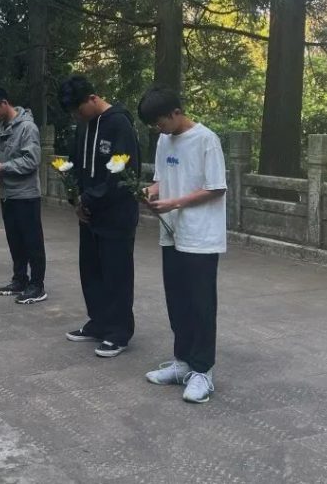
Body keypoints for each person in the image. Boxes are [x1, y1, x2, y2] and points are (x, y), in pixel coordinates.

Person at [137, 85, 227, 404]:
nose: (158, 129)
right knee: (177, 300)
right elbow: (161, 180)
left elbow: (216, 188)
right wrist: (150, 193)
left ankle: (203, 371)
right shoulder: (165, 140)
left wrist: (174, 202)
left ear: (176, 113)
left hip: (201, 236)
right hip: (172, 232)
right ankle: (183, 362)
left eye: (160, 122)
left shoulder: (206, 140)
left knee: (201, 303)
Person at [58, 75, 141, 359]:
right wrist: (75, 198)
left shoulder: (119, 124)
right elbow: (74, 164)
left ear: (93, 98)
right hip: (89, 215)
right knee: (91, 270)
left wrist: (91, 198)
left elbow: (121, 172)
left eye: (78, 109)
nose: (76, 116)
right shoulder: (85, 125)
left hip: (115, 214)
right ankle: (98, 321)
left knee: (116, 273)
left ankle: (119, 331)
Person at [0, 86, 47, 304]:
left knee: (32, 242)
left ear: (4, 103)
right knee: (15, 241)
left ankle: (37, 285)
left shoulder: (27, 127)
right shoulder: (3, 127)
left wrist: (4, 167)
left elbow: (32, 160)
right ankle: (20, 279)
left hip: (26, 195)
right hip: (8, 194)